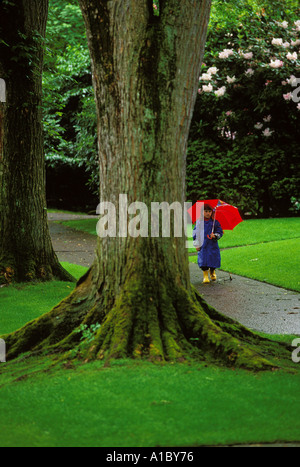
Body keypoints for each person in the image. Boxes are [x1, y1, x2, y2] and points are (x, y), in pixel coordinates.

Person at [193, 204, 223, 283]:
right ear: (202, 212)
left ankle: (212, 271)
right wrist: (196, 244)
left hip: (212, 245)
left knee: (213, 259)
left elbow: (220, 232)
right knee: (203, 260)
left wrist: (215, 235)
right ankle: (205, 275)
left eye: (209, 211)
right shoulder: (199, 223)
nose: (208, 213)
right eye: (206, 211)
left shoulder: (214, 223)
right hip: (203, 245)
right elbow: (195, 234)